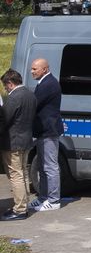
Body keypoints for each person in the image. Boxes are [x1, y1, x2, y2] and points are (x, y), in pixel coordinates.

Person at [29, 58, 63, 212]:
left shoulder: (49, 83)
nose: (32, 71)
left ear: (44, 69)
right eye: (32, 68)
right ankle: (43, 198)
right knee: (43, 166)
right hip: (43, 131)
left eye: (35, 69)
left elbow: (34, 103)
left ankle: (54, 200)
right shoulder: (44, 82)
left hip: (48, 131)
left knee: (50, 166)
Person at [1, 70, 35, 221]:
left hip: (13, 142)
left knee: (16, 175)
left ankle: (20, 209)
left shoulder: (14, 97)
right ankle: (23, 204)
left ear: (10, 83)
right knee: (23, 173)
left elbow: (4, 119)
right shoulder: (30, 94)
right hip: (26, 140)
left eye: (5, 85)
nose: (5, 89)